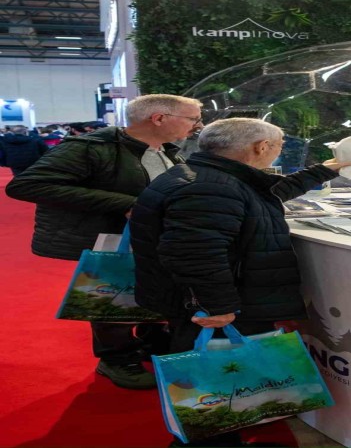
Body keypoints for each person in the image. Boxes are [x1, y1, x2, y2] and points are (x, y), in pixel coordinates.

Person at [128, 117, 351, 446]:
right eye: (278, 147)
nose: (277, 152)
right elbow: (194, 252)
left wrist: (325, 169)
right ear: (262, 147)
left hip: (209, 296)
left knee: (221, 374)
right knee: (215, 376)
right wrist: (216, 306)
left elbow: (265, 194)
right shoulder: (210, 187)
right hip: (214, 303)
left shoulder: (211, 175)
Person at [5, 94, 204, 390]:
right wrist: (125, 203)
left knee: (154, 292)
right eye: (192, 118)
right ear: (159, 118)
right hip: (112, 237)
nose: (198, 125)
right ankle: (116, 358)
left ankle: (151, 340)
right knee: (114, 298)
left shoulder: (167, 150)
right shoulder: (90, 147)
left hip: (154, 239)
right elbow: (27, 185)